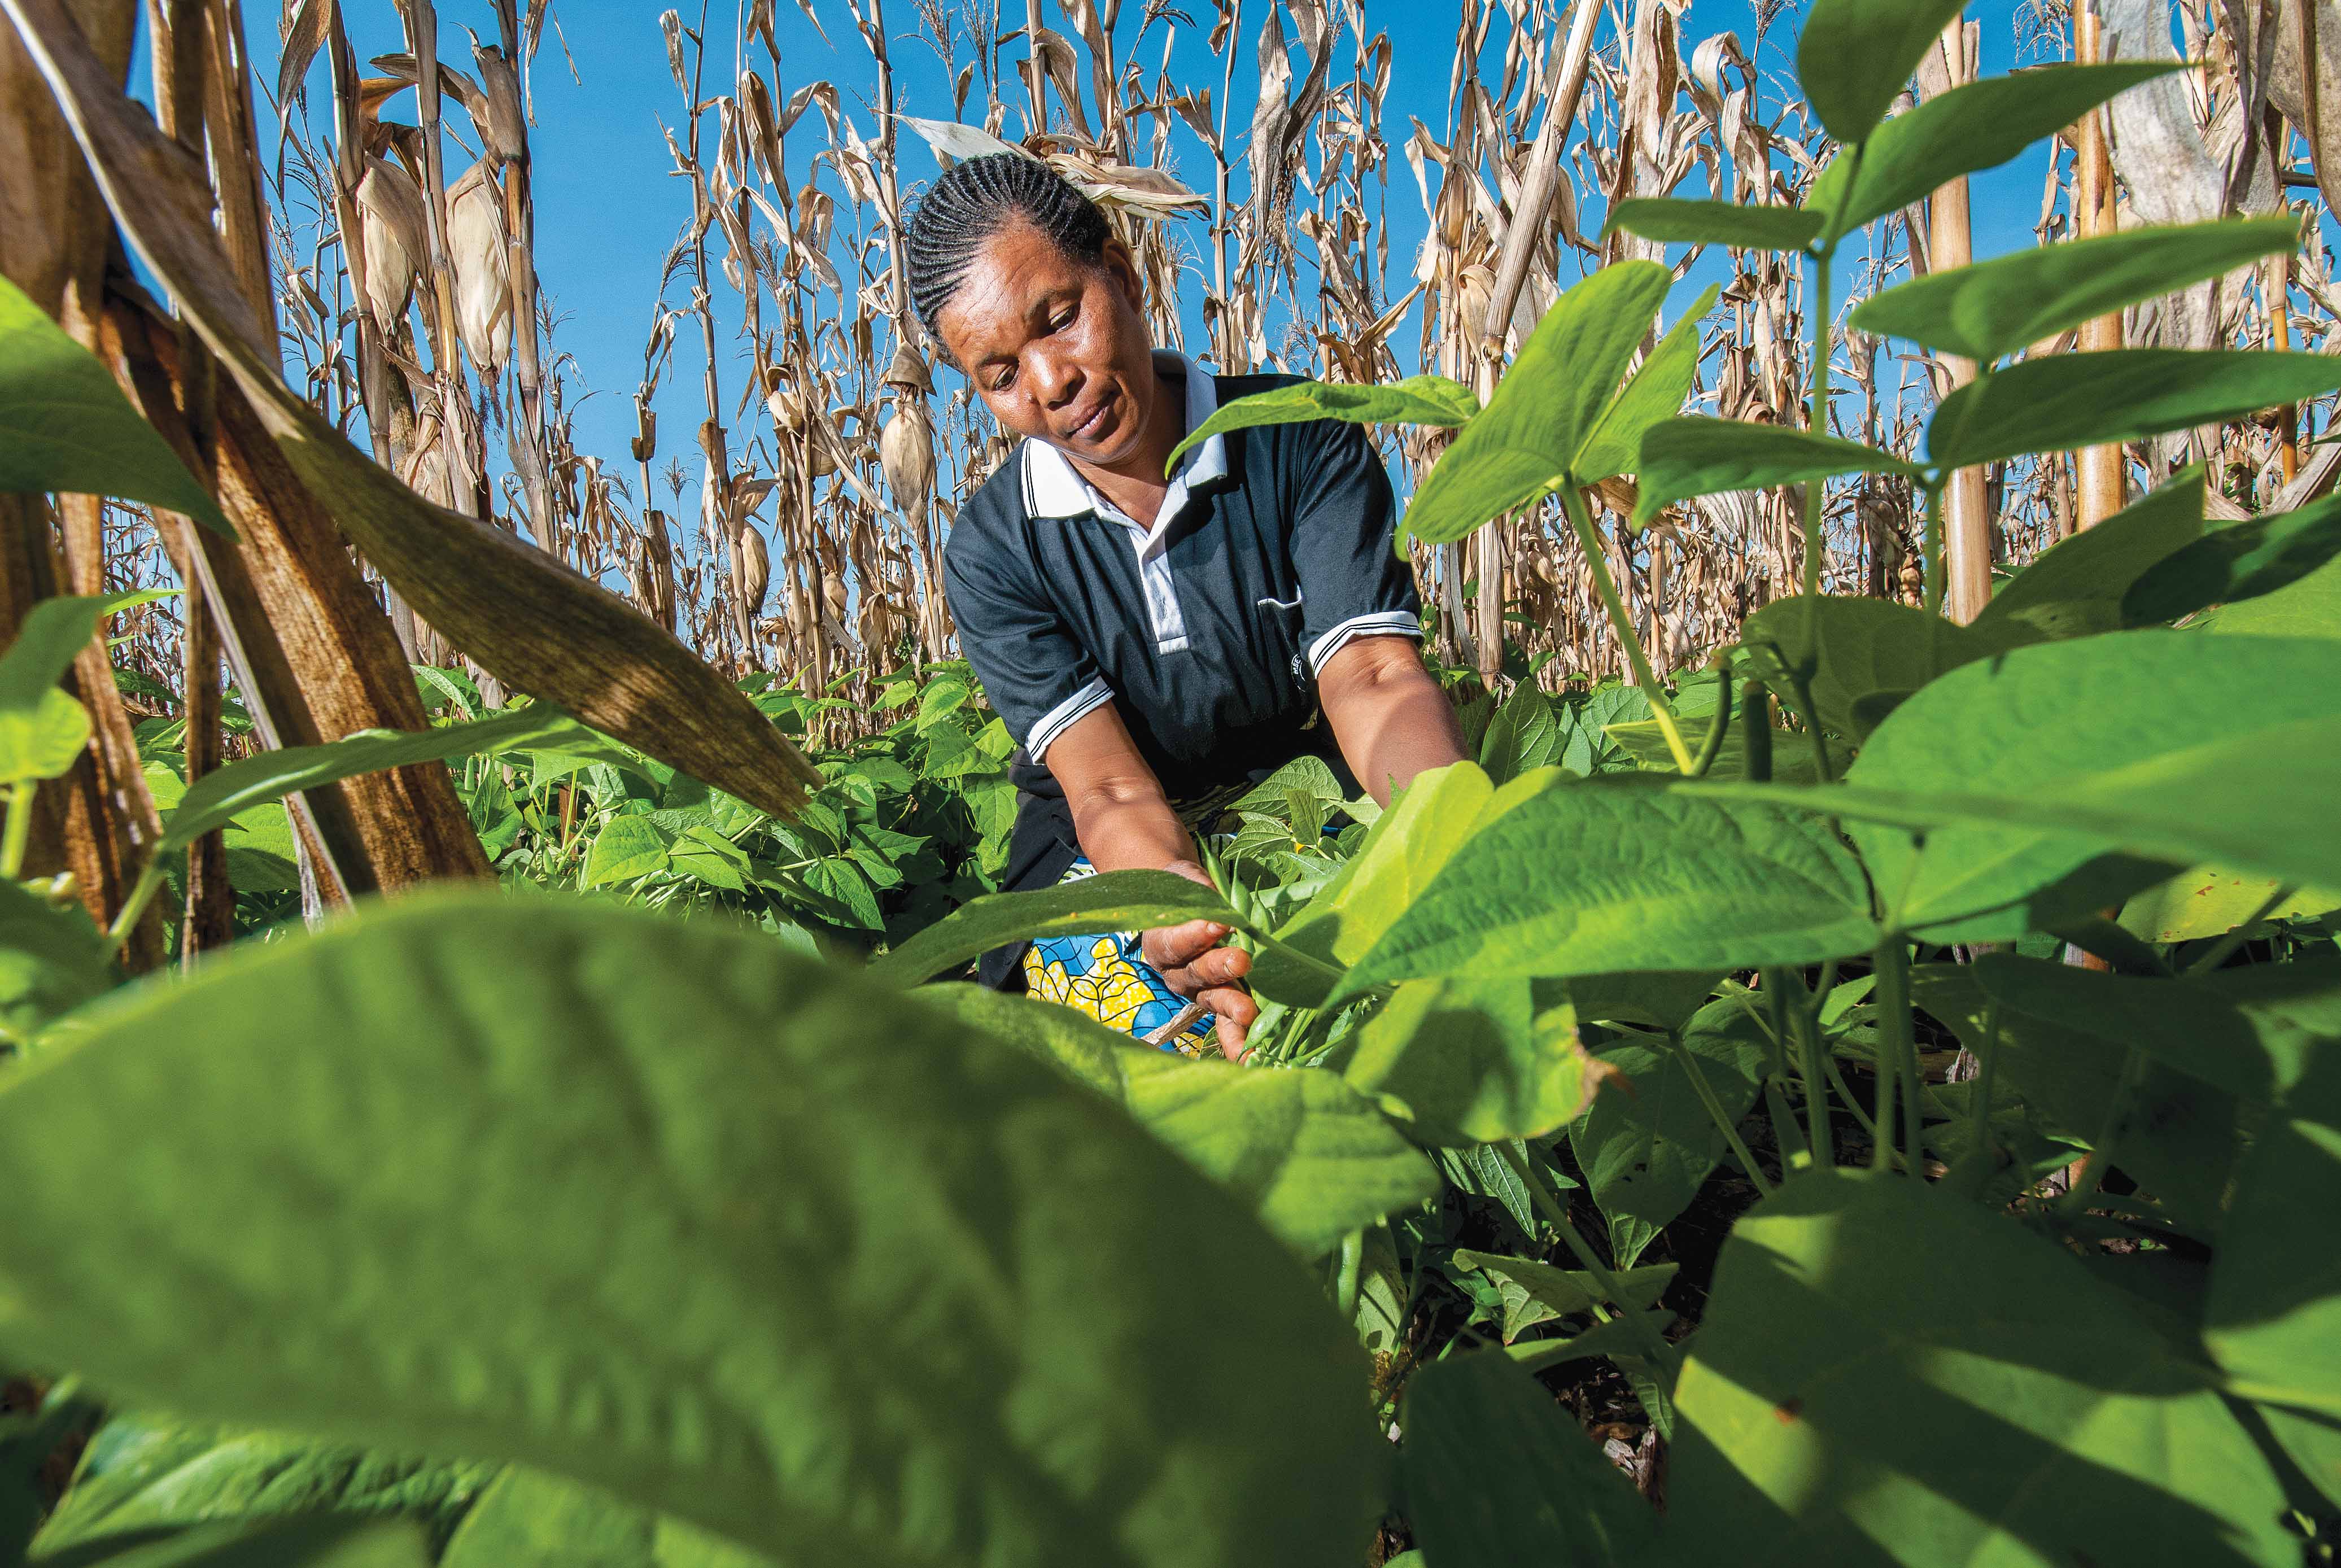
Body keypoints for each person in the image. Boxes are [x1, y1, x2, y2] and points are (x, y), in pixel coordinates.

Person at [905, 154, 1465, 1060]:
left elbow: (1371, 678)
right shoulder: (994, 549)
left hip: (1304, 798)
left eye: (1061, 320)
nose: (1050, 384)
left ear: (1121, 277)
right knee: (1169, 1039)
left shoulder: (1296, 437)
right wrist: (1179, 920)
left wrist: (1450, 839)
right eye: (1000, 375)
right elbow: (1110, 788)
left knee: (1398, 979)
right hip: (1112, 848)